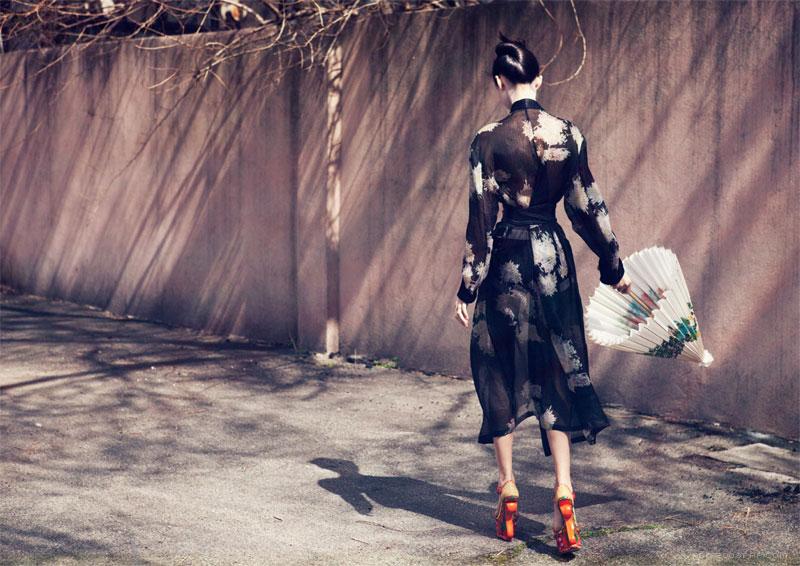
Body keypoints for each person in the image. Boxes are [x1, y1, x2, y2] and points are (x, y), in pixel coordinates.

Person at [453, 31, 632, 554]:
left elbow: (481, 221)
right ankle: (564, 492)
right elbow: (587, 207)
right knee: (557, 368)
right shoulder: (568, 133)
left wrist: (467, 287)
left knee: (497, 366)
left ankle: (508, 486)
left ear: (499, 82)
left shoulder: (487, 140)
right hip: (553, 260)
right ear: (539, 77)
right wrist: (613, 266)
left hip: (506, 263)